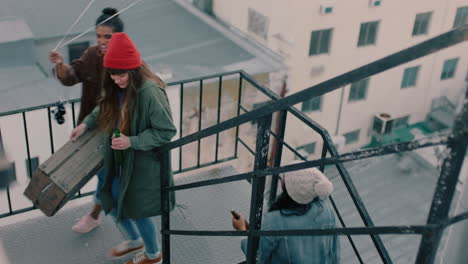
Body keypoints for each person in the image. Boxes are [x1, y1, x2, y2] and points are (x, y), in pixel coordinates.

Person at [70, 32, 176, 264]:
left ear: (134, 69)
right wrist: (86, 124)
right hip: (118, 158)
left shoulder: (150, 92)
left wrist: (132, 141)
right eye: (113, 75)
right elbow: (104, 107)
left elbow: (166, 131)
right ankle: (137, 241)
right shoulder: (117, 83)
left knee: (136, 210)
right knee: (111, 201)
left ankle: (153, 255)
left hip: (140, 162)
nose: (116, 80)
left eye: (120, 76)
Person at [48, 7, 124, 233]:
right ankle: (102, 214)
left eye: (107, 37)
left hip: (117, 131)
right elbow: (71, 77)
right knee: (106, 176)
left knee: (108, 176)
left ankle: (97, 215)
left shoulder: (126, 59)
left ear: (118, 37)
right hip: (91, 128)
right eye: (98, 35)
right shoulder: (91, 55)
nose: (101, 41)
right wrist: (61, 64)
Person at [232, 165, 340, 264]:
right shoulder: (327, 211)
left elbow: (255, 258)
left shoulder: (276, 220)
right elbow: (335, 253)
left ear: (285, 187)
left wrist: (242, 230)